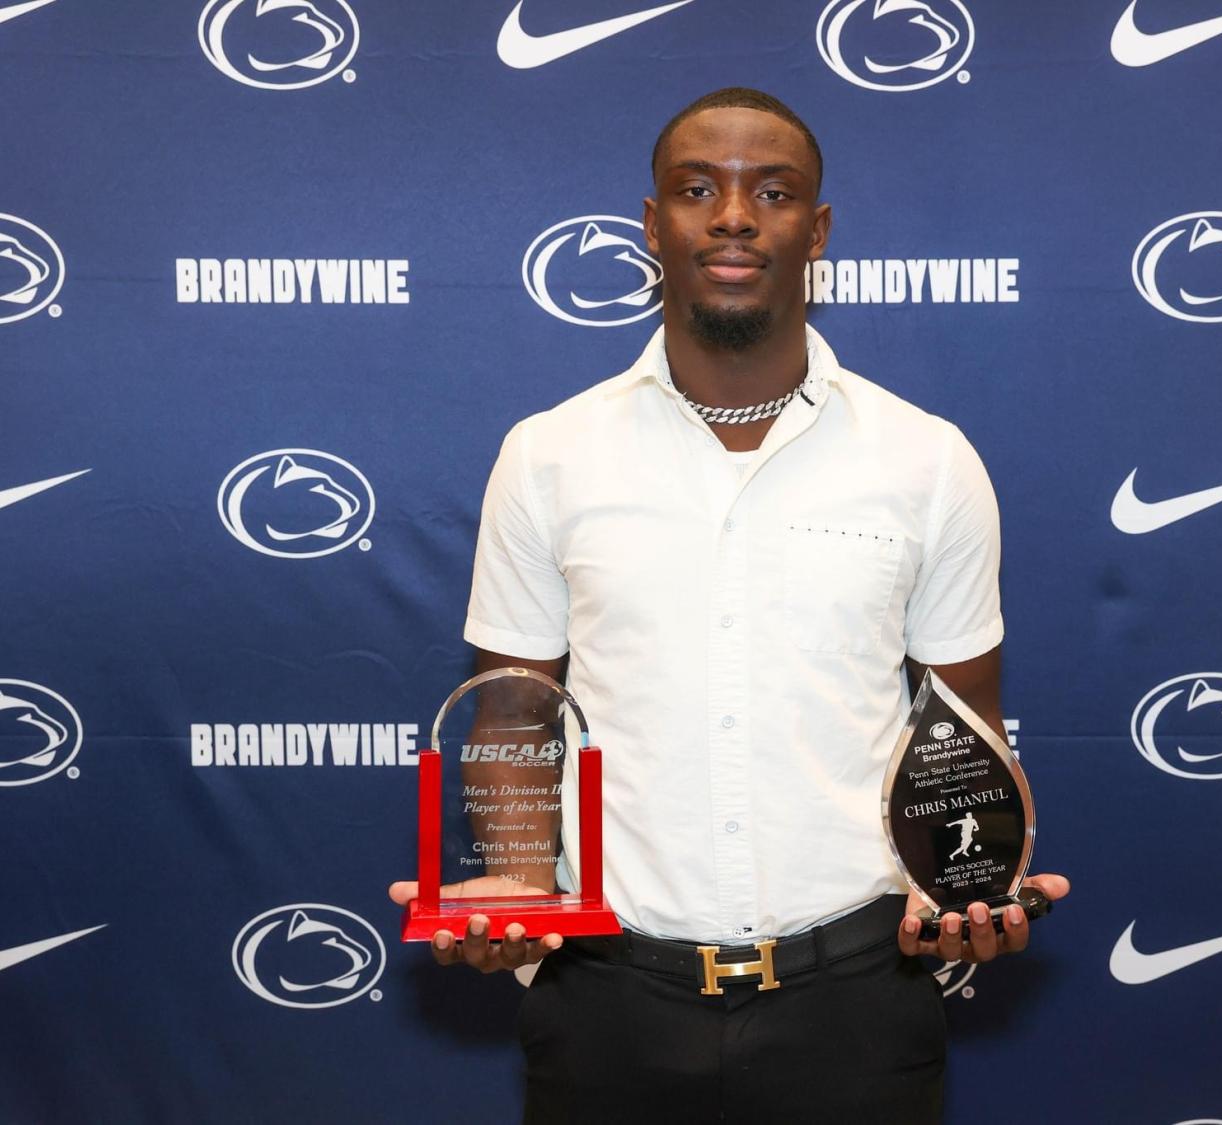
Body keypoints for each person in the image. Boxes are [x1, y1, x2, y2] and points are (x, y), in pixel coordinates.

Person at [390, 86, 1069, 1124]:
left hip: (857, 1006)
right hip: (607, 1002)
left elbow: (964, 732)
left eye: (774, 191)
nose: (736, 215)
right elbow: (515, 712)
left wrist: (973, 890)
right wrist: (526, 889)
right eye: (698, 188)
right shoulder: (548, 454)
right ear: (652, 225)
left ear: (818, 230)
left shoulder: (927, 460)